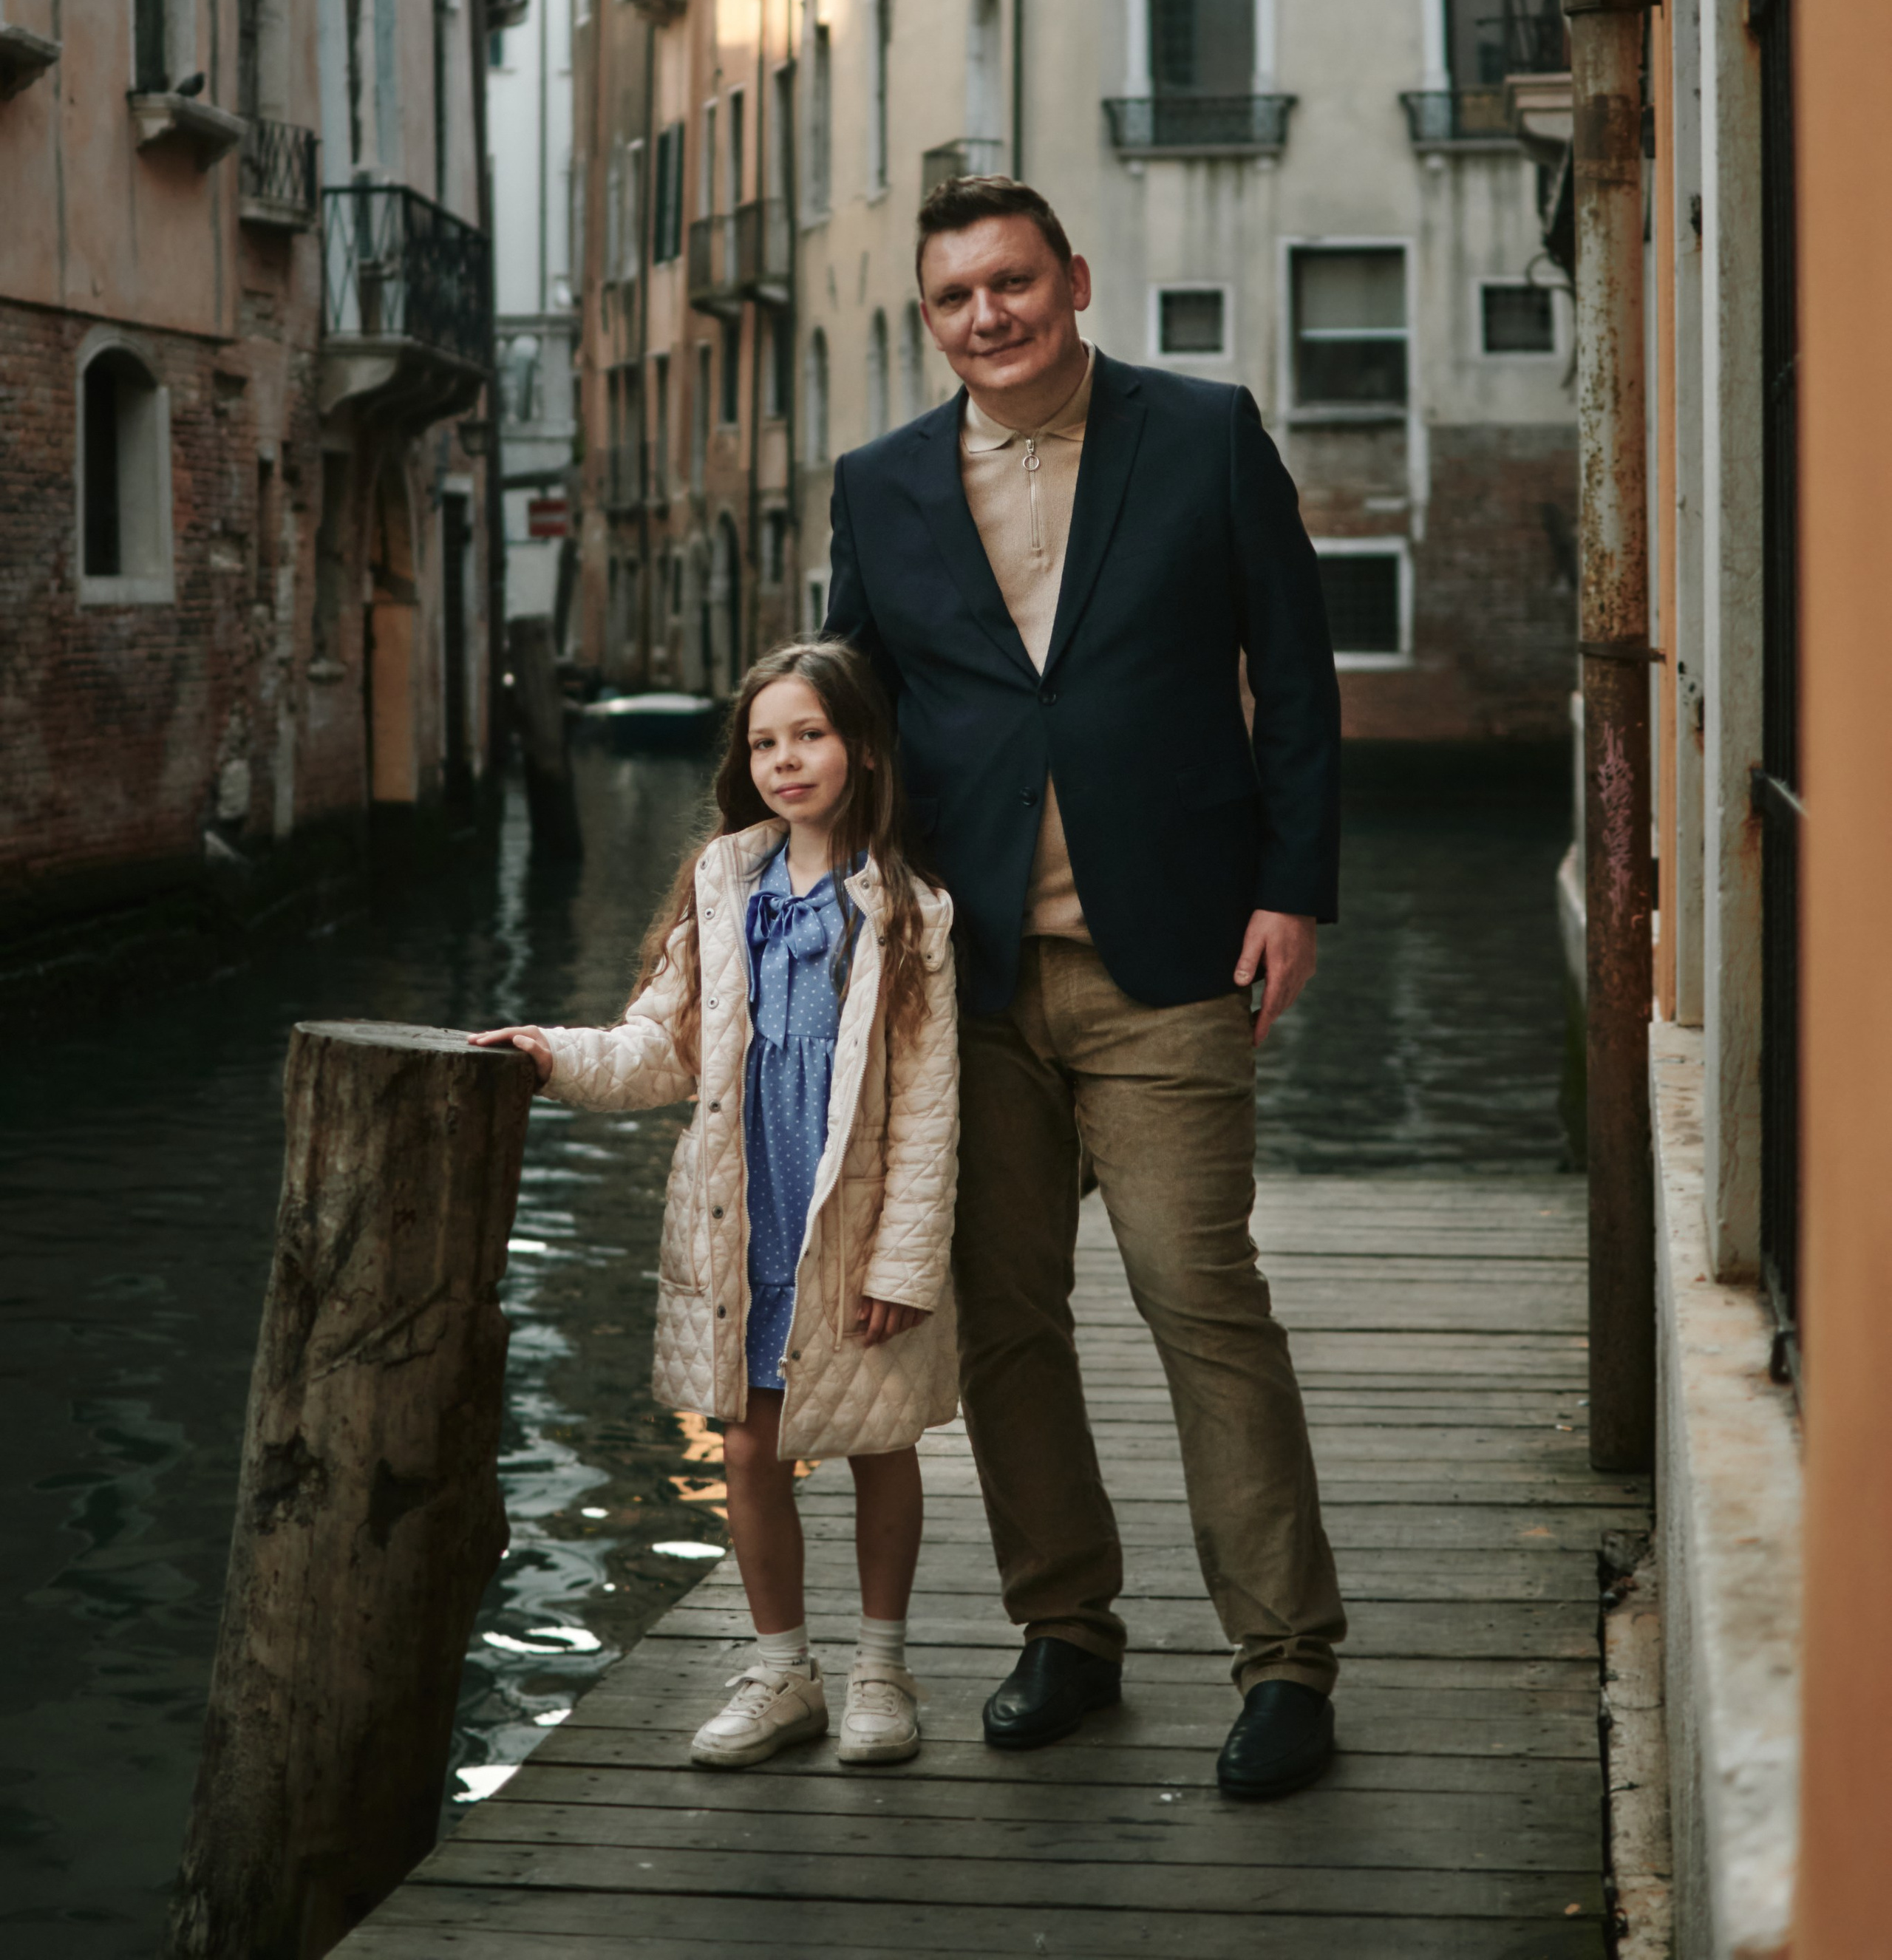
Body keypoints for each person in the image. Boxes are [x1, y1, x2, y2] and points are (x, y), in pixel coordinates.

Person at [826, 174, 1347, 1803]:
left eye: (1012, 283)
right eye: (955, 298)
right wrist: (828, 919)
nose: (988, 317)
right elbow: (856, 714)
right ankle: (1065, 1629)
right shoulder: (882, 485)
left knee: (1202, 1300)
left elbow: (1299, 672)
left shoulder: (1199, 437)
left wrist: (1291, 889)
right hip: (962, 978)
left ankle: (1283, 1662)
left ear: (1073, 281)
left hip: (1172, 955)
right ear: (931, 322)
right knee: (1003, 1320)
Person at [472, 640, 959, 1772]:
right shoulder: (722, 885)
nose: (787, 760)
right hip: (748, 1213)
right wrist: (553, 1056)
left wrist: (902, 1263)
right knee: (747, 1446)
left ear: (865, 749)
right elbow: (661, 1047)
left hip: (854, 1218)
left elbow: (932, 1111)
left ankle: (882, 1672)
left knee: (882, 1440)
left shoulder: (912, 913)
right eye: (766, 742)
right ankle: (780, 1669)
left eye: (812, 735)